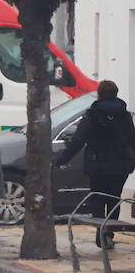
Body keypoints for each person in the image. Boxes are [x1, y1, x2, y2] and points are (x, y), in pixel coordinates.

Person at [55, 80, 135, 249]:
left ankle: (101, 234)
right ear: (116, 93)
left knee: (97, 199)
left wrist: (61, 159)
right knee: (114, 198)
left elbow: (78, 140)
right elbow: (132, 140)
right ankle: (109, 235)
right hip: (120, 166)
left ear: (99, 94)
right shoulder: (125, 115)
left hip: (97, 164)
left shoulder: (92, 114)